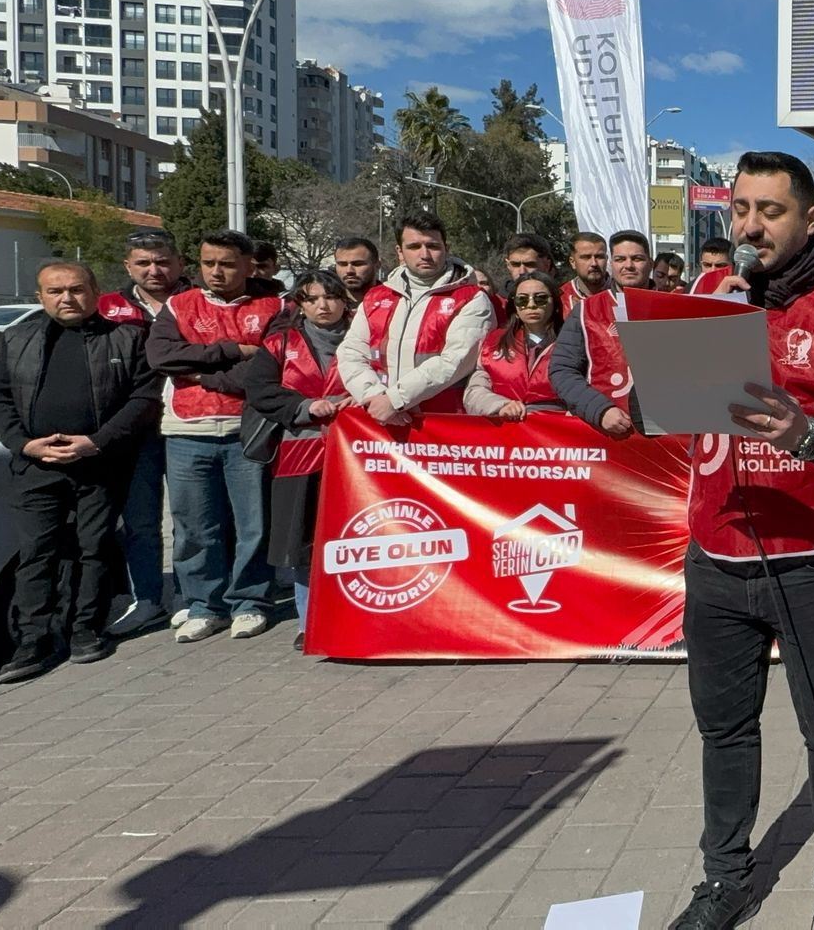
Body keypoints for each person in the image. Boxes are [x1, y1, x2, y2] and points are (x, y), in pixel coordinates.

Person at [670, 151, 814, 930]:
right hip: (716, 553)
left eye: (769, 211)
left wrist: (805, 436)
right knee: (723, 729)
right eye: (740, 210)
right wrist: (695, 337)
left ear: (809, 219)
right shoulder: (706, 294)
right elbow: (649, 409)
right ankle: (725, 880)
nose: (751, 226)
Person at [0, 261, 161, 680]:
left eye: (76, 289)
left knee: (93, 547)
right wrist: (24, 444)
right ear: (40, 296)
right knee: (35, 554)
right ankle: (34, 641)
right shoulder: (18, 338)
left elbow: (143, 401)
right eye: (55, 291)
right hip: (36, 464)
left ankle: (85, 630)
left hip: (98, 464)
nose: (67, 298)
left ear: (95, 290)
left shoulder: (126, 338)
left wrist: (96, 442)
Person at [146, 231, 285, 643]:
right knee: (193, 527)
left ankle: (249, 602)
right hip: (187, 432)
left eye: (226, 263)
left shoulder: (274, 307)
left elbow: (268, 365)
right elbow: (162, 357)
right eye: (208, 263)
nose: (217, 272)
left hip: (250, 429)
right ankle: (205, 605)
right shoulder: (179, 305)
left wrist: (201, 374)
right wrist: (229, 351)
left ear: (247, 265)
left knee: (253, 524)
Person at [235, 272, 355, 653]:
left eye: (331, 297)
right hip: (298, 453)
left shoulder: (367, 340)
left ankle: (356, 617)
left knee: (355, 539)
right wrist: (304, 407)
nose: (324, 306)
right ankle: (309, 620)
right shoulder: (280, 342)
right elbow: (260, 391)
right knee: (302, 544)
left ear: (345, 301)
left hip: (356, 457)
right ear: (300, 304)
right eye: (313, 298)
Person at [98, 229, 189, 637]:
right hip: (134, 430)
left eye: (163, 261)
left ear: (179, 262)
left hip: (192, 424)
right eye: (143, 263)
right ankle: (147, 599)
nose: (154, 270)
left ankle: (193, 595)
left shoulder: (200, 303)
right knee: (141, 521)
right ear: (128, 266)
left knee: (193, 519)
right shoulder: (107, 309)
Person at [336, 211, 494, 425]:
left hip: (444, 423)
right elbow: (351, 353)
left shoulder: (470, 298)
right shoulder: (377, 297)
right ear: (400, 252)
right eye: (414, 247)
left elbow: (455, 361)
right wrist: (373, 396)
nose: (425, 254)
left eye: (433, 246)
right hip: (382, 421)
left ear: (446, 249)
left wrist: (395, 399)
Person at [549, 230, 657, 437]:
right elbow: (561, 370)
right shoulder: (586, 311)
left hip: (666, 438)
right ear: (611, 264)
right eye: (620, 259)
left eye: (637, 258)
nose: (628, 266)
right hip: (605, 435)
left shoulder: (675, 308)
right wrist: (600, 410)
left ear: (650, 263)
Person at [465, 271, 567, 420]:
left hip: (558, 431)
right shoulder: (493, 343)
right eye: (522, 300)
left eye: (540, 299)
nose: (531, 305)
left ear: (555, 303)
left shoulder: (575, 342)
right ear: (514, 306)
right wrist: (500, 405)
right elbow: (474, 391)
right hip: (507, 432)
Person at [560, 231, 610, 314]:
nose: (594, 263)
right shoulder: (561, 298)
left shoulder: (622, 292)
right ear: (573, 262)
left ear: (607, 259)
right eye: (586, 257)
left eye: (599, 257)